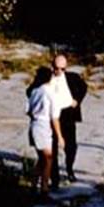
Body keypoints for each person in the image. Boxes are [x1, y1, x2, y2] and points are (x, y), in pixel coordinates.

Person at [49, 53, 88, 188]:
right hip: (53, 116)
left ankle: (69, 168)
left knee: (71, 146)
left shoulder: (72, 77)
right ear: (52, 66)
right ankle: (54, 177)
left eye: (62, 69)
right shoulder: (46, 79)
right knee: (52, 147)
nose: (59, 71)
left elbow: (84, 87)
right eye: (56, 68)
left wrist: (77, 100)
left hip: (69, 115)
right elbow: (30, 91)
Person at [25, 66, 64, 197]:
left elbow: (28, 111)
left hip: (34, 125)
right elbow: (54, 118)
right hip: (43, 126)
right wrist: (59, 136)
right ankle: (44, 188)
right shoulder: (50, 94)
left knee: (42, 159)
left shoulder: (35, 92)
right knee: (48, 159)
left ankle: (34, 185)